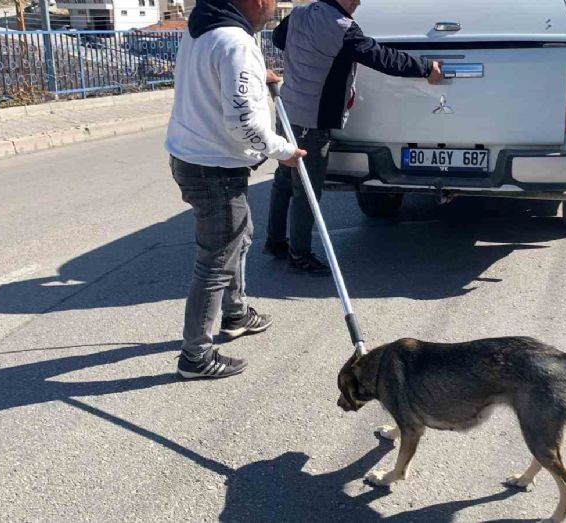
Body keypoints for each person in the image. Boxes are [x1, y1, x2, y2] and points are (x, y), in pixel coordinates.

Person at [165, 0, 307, 379]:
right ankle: (195, 356)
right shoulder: (235, 42)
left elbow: (223, 83)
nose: (275, 6)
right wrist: (284, 151)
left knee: (239, 239)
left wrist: (261, 76)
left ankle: (236, 313)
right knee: (216, 260)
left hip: (193, 157)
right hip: (214, 168)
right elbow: (243, 124)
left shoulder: (204, 27)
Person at [264, 0, 443, 275]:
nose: (359, 2)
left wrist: (308, 54)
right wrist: (425, 66)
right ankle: (299, 256)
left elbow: (278, 38)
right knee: (307, 190)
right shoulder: (342, 29)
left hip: (288, 111)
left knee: (285, 179)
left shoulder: (299, 13)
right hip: (312, 121)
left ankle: (276, 242)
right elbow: (383, 58)